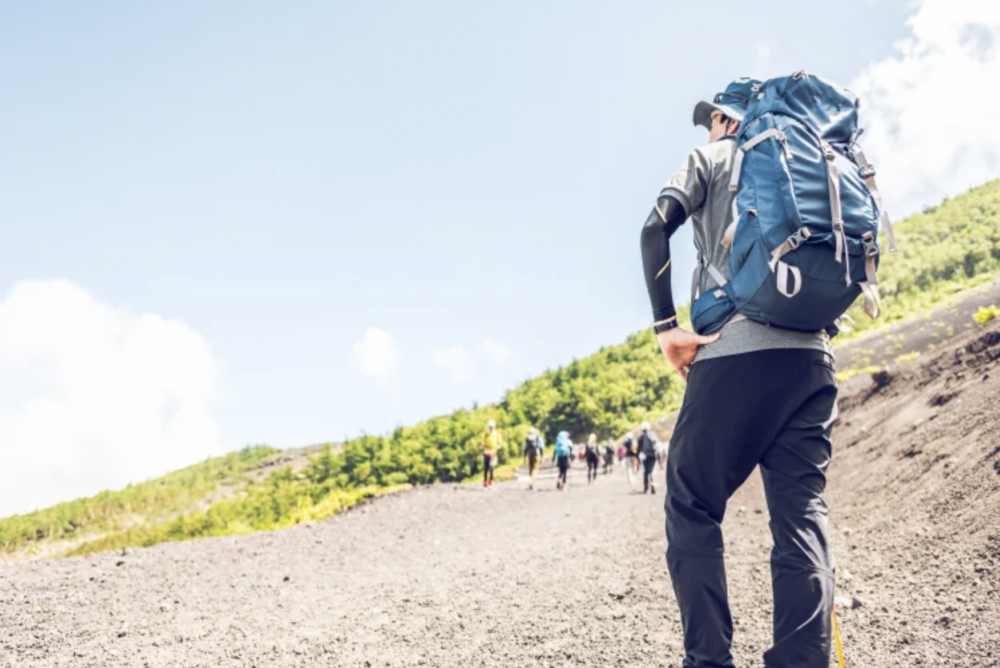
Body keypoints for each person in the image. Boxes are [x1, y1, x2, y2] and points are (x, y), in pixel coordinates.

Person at [640, 77, 837, 667]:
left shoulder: (714, 156)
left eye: (713, 118)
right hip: (812, 361)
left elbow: (654, 228)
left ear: (731, 120)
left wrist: (664, 329)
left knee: (692, 504)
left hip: (733, 354)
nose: (707, 127)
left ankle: (709, 661)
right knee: (801, 514)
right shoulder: (814, 165)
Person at [637, 422, 658, 494]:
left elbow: (639, 448)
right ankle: (653, 486)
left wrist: (638, 458)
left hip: (645, 456)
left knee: (646, 472)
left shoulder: (641, 437)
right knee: (652, 471)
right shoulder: (653, 435)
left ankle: (646, 488)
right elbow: (656, 445)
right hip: (653, 455)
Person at [480, 419, 502, 489]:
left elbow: (500, 443)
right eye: (490, 426)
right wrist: (482, 445)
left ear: (494, 426)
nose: (491, 428)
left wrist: (497, 447)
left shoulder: (497, 434)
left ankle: (491, 480)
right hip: (486, 452)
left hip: (494, 453)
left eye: (492, 426)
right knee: (486, 468)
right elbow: (483, 442)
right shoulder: (486, 434)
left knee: (491, 467)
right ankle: (485, 482)